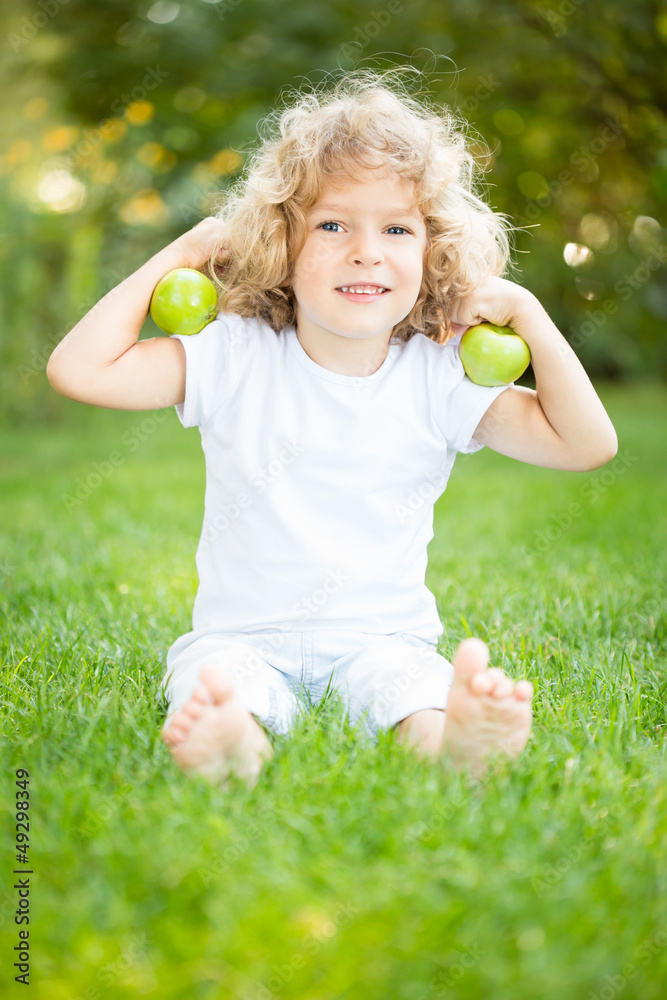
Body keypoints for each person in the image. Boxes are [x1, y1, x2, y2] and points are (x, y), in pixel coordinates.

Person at [46, 69, 618, 787]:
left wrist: (526, 315)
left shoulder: (437, 375)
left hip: (380, 640)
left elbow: (586, 444)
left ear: (432, 253)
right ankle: (231, 746)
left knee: (413, 692)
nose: (365, 250)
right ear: (280, 243)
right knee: (219, 684)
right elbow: (80, 370)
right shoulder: (236, 354)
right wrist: (184, 251)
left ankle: (455, 744)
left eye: (396, 228)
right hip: (240, 639)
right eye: (332, 224)